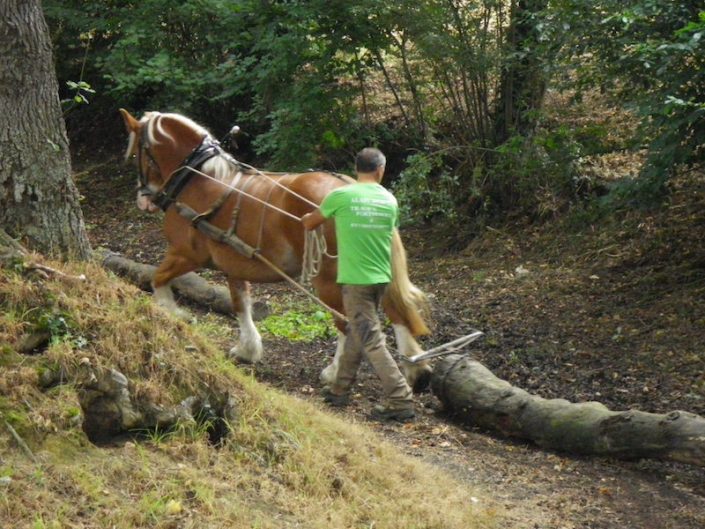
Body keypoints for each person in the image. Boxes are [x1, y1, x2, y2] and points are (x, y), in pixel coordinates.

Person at [301, 147, 415, 422]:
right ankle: (339, 390)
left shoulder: (341, 195)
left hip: (355, 281)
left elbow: (310, 223)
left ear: (356, 169)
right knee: (356, 330)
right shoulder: (389, 199)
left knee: (371, 340)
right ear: (380, 170)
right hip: (381, 280)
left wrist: (307, 219)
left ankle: (400, 399)